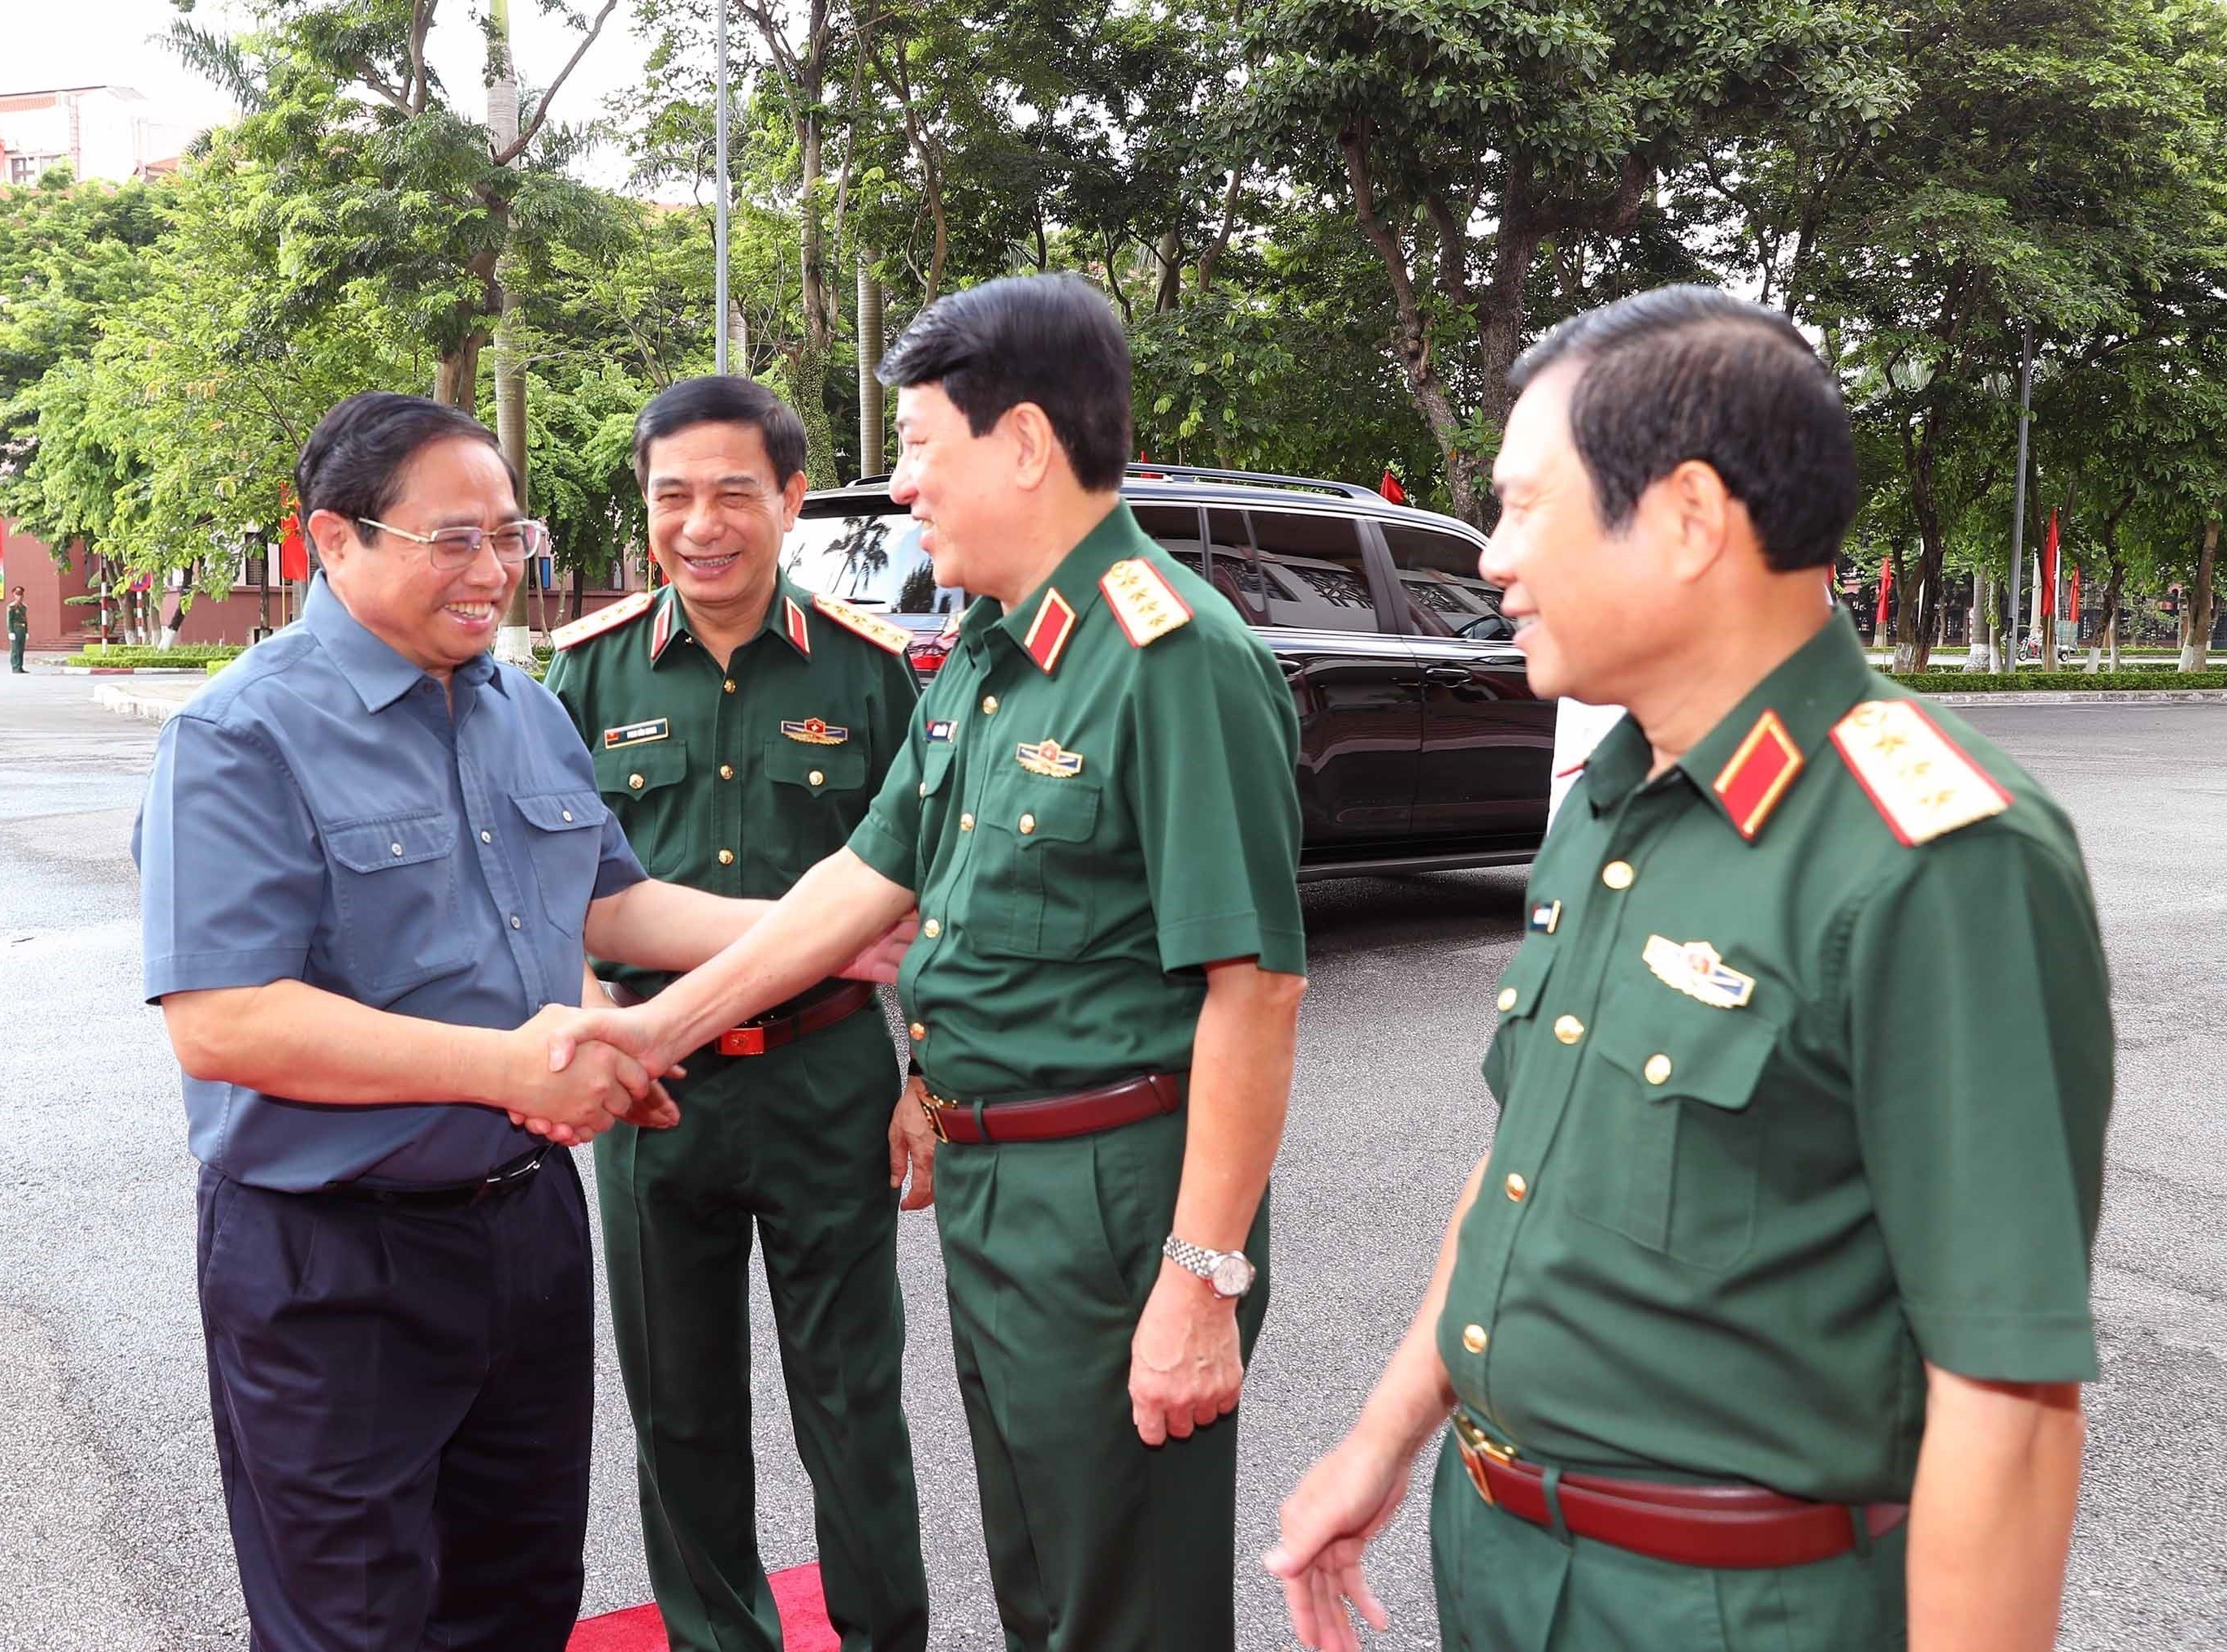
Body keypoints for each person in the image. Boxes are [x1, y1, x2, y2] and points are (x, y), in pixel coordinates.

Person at [1265, 286, 2114, 1652]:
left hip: (1729, 1603)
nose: (1490, 559)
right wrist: (1383, 1437)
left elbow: (2005, 1404)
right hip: (1499, 1557)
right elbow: (1525, 1164)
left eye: (1528, 507)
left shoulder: (1936, 853)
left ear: (1689, 519)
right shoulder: (1616, 794)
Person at [545, 274, 1310, 1651]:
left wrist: (1203, 1277)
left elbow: (1256, 986)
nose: (899, 488)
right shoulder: (992, 659)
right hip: (996, 1184)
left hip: (1113, 1198)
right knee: (1043, 1578)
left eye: (915, 448)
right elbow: (857, 882)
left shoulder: (1170, 659)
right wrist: (651, 1039)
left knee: (1124, 1598)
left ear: (1021, 443)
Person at [132, 391, 903, 1652]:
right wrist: (510, 1067)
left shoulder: (520, 707)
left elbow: (617, 906)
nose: (494, 571)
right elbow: (224, 1022)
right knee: (356, 1621)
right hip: (334, 1258)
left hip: (524, 1233)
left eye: (511, 536)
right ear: (335, 540)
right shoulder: (239, 736)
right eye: (455, 540)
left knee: (516, 1599)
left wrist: (822, 928)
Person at [544, 375, 933, 1652]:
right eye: (672, 496)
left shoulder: (874, 678)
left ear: (789, 502)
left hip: (826, 1085)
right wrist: (588, 1030)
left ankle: (883, 1635)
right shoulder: (586, 676)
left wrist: (923, 1080)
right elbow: (553, 894)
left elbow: (939, 896)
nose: (699, 524)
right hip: (656, 1101)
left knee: (850, 1400)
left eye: (731, 493)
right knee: (680, 1409)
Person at [6, 584, 27, 672]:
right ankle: (15, 667)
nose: (19, 596)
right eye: (17, 594)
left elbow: (25, 620)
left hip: (22, 630)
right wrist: (10, 632)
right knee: (15, 649)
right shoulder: (11, 606)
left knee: (21, 649)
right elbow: (9, 620)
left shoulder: (24, 607)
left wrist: (26, 632)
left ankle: (20, 667)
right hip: (15, 629)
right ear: (14, 595)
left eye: (21, 594)